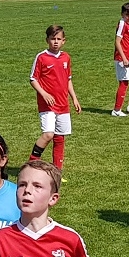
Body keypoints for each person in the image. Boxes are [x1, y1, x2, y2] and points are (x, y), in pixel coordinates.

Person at [28, 25, 82, 179]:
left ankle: (57, 172)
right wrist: (44, 94)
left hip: (63, 104)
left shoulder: (66, 58)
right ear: (47, 40)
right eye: (53, 39)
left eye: (59, 39)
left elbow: (68, 79)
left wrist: (74, 98)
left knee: (60, 138)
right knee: (48, 134)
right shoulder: (41, 57)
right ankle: (31, 165)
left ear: (64, 41)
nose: (56, 42)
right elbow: (33, 79)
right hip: (48, 105)